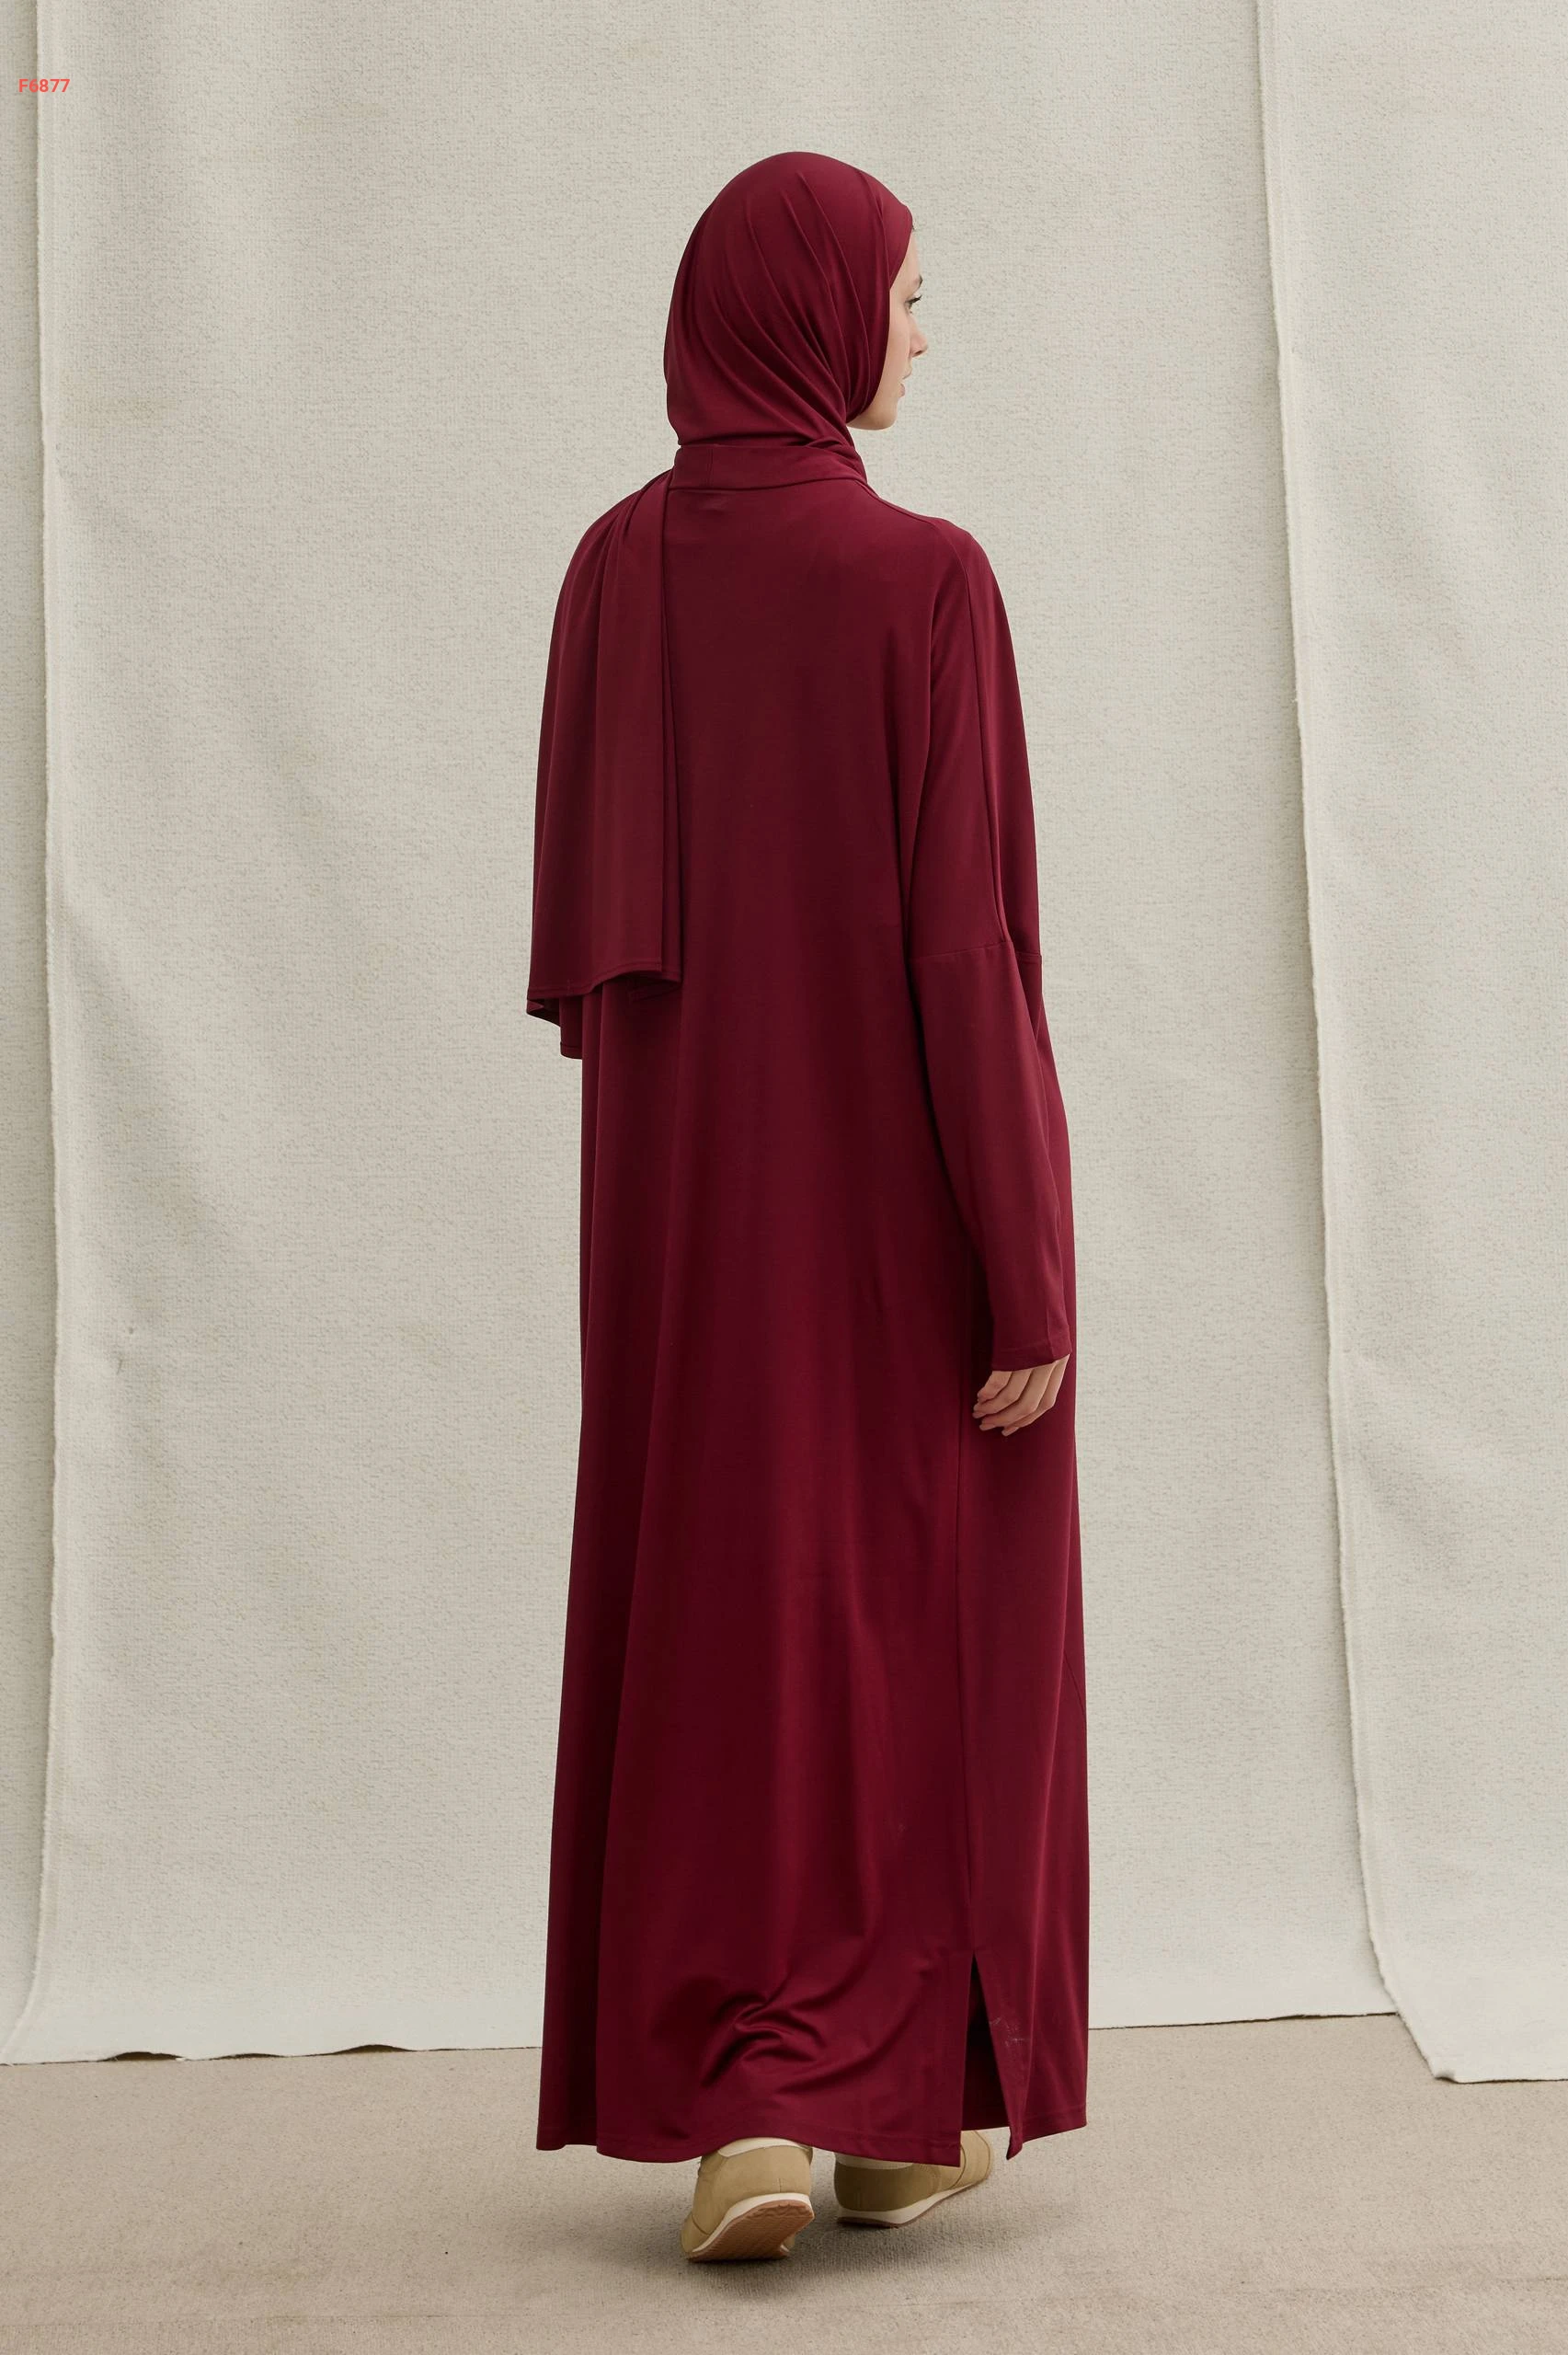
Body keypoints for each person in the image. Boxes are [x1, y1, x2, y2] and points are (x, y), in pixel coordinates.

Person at [527, 150, 1085, 2264]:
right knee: (924, 1612)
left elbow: (587, 961)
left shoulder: (611, 570)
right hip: (892, 1202)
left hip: (681, 1221)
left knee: (724, 1602)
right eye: (912, 297)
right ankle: (893, 2090)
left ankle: (759, 2112)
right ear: (824, 315)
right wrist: (1026, 1261)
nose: (925, 335)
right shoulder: (924, 580)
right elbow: (967, 951)